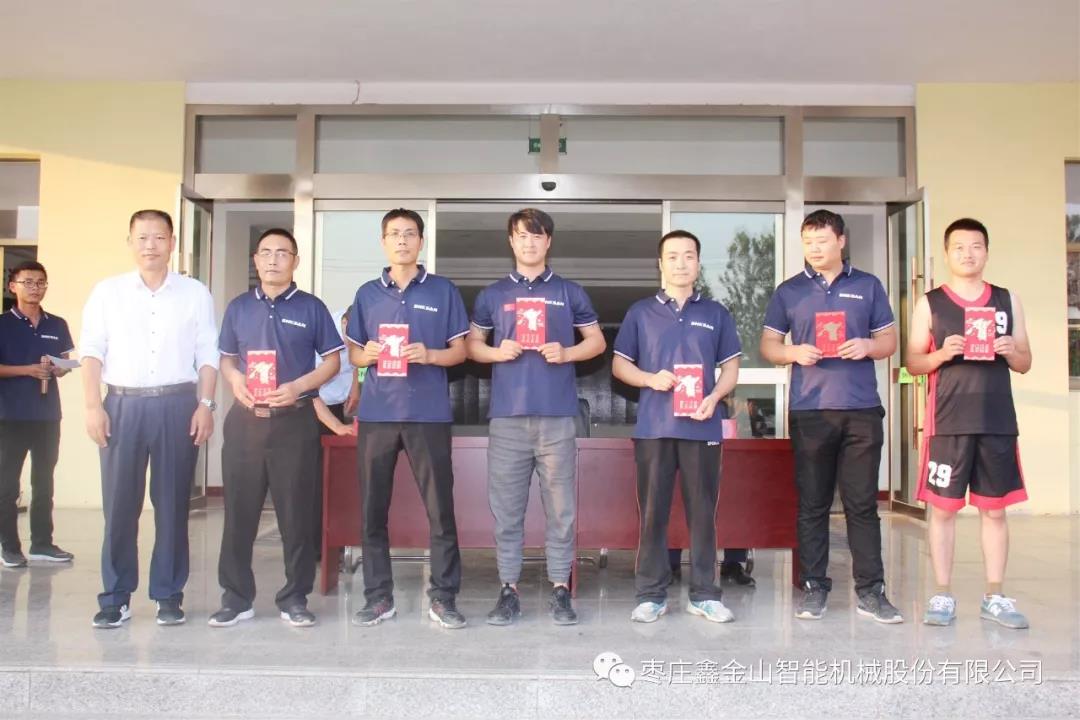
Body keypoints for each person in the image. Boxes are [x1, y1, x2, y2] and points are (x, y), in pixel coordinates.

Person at [759, 209, 901, 623]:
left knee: (862, 505)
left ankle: (871, 591)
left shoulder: (868, 285)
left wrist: (868, 347)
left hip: (860, 409)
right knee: (813, 504)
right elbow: (769, 345)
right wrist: (792, 352)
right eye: (808, 242)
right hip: (811, 410)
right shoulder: (789, 291)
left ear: (841, 241)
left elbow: (889, 340)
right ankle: (814, 587)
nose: (815, 248)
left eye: (822, 240)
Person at [467, 208, 605, 626]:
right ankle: (508, 590)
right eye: (522, 236)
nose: (529, 243)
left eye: (537, 235)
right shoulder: (492, 294)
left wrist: (567, 352)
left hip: (557, 416)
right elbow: (472, 345)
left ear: (549, 241)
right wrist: (496, 352)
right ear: (511, 241)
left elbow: (597, 342)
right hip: (507, 417)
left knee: (561, 510)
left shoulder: (569, 291)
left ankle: (561, 588)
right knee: (506, 510)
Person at [80, 209, 218, 628]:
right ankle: (115, 596)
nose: (150, 245)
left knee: (173, 505)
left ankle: (168, 594)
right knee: (119, 505)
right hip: (122, 406)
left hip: (178, 405)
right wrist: (93, 406)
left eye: (159, 237)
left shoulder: (195, 293)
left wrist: (205, 404)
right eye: (142, 238)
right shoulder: (108, 292)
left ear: (172, 243)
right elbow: (92, 351)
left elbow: (207, 353)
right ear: (130, 242)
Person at [210, 228, 342, 628]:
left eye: (282, 253)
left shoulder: (311, 307)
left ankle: (295, 598)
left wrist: (298, 387)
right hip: (246, 423)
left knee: (296, 515)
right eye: (266, 252)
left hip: (295, 423)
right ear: (255, 260)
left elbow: (332, 361)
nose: (273, 260)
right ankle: (236, 599)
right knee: (239, 515)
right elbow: (227, 359)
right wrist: (235, 380)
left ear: (295, 261)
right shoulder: (238, 308)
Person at [347, 208, 470, 629]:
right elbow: (353, 353)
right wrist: (367, 355)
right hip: (377, 413)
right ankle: (378, 597)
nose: (402, 240)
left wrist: (430, 354)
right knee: (371, 510)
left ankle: (443, 598)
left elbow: (461, 352)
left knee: (440, 510)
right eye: (394, 234)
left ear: (421, 241)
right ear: (383, 242)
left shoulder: (443, 290)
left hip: (428, 414)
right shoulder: (367, 294)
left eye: (410, 233)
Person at [905, 218, 1031, 629]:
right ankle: (942, 594)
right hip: (948, 422)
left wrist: (1011, 351)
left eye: (976, 246)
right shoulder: (930, 303)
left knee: (994, 512)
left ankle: (995, 595)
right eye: (959, 247)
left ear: (987, 252)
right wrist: (941, 354)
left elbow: (1025, 362)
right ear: (947, 254)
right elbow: (913, 362)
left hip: (996, 421)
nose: (968, 253)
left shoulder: (1008, 301)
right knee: (943, 511)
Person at [613, 230, 741, 623]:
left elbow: (731, 368)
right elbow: (620, 365)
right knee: (653, 513)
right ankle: (651, 594)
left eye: (688, 256)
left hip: (703, 427)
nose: (681, 263)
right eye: (672, 256)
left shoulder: (716, 313)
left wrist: (714, 397)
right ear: (660, 264)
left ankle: (705, 594)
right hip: (655, 428)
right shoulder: (640, 312)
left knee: (703, 514)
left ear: (698, 263)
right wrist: (650, 379)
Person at [0, 261, 75, 568]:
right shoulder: (3, 324)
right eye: (28, 282)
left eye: (41, 282)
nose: (35, 288)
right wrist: (27, 370)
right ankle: (9, 547)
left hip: (47, 416)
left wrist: (60, 368)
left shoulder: (56, 324)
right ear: (12, 286)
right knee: (7, 484)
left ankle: (42, 543)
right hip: (10, 416)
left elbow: (66, 361)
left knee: (44, 482)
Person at [312, 308, 359, 558]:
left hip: (335, 408)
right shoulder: (323, 334)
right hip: (312, 412)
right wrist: (337, 427)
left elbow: (356, 364)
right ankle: (317, 549)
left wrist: (354, 389)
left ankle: (336, 544)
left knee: (336, 480)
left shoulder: (358, 329)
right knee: (318, 482)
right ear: (344, 323)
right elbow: (308, 392)